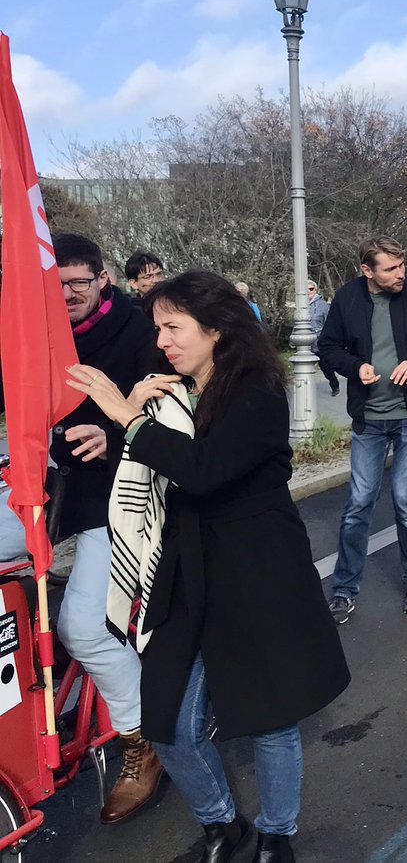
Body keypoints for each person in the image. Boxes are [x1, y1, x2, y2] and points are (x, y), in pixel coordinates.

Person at [66, 271, 350, 863]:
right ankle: (221, 822)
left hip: (255, 571)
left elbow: (203, 469)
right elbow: (147, 472)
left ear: (216, 329)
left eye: (175, 327)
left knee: (270, 717)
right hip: (182, 573)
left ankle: (276, 833)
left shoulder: (258, 391)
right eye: (157, 328)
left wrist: (127, 419)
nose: (163, 340)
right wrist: (122, 423)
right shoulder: (167, 393)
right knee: (166, 718)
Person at [0, 234, 168, 823]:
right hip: (50, 487)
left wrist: (116, 434)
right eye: (57, 284)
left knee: (83, 626)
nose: (67, 293)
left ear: (103, 280)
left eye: (78, 282)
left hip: (122, 494)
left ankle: (140, 743)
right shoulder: (35, 329)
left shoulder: (145, 333)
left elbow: (178, 416)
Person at [318, 237, 407, 623]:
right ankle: (344, 590)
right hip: (369, 419)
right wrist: (354, 367)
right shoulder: (347, 298)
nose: (400, 275)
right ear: (367, 271)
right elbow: (327, 347)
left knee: (405, 497)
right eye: (390, 269)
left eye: (402, 266)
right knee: (358, 503)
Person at [307, 280, 339, 397]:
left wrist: (328, 339)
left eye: (310, 289)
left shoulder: (323, 305)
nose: (308, 292)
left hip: (319, 341)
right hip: (305, 343)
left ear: (315, 290)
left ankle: (334, 385)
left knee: (325, 367)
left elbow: (329, 323)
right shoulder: (301, 305)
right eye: (306, 289)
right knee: (303, 368)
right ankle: (306, 391)